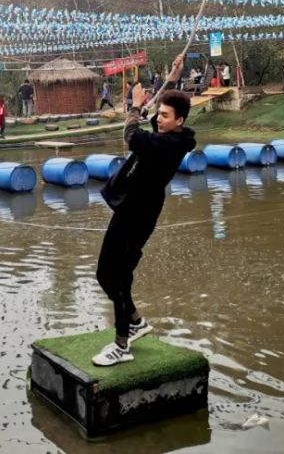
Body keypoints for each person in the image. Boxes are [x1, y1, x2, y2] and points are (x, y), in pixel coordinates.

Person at [93, 55, 196, 367]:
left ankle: (122, 344)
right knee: (105, 274)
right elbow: (151, 127)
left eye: (165, 115)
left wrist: (135, 105)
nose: (160, 118)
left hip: (138, 216)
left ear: (179, 121)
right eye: (160, 114)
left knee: (118, 277)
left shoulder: (167, 146)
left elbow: (131, 136)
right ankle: (135, 321)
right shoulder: (169, 136)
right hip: (130, 210)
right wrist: (174, 78)